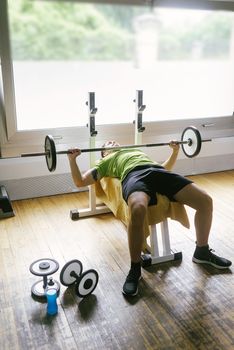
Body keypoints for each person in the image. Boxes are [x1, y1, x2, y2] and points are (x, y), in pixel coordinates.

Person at [67, 141, 232, 296]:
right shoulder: (105, 162)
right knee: (138, 209)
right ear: (104, 153)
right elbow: (79, 181)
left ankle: (201, 251)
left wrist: (175, 151)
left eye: (115, 142)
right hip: (134, 176)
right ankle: (135, 269)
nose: (113, 143)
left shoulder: (135, 151)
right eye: (109, 144)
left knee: (205, 201)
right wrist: (72, 160)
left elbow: (165, 167)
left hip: (157, 171)